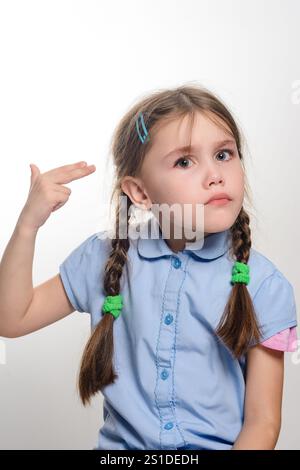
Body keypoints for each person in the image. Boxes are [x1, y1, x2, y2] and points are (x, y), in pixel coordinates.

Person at [0, 84, 298, 450]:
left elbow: (263, 423)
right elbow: (12, 319)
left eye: (224, 154)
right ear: (140, 193)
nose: (215, 175)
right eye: (185, 161)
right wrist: (27, 226)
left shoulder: (264, 285)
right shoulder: (104, 257)